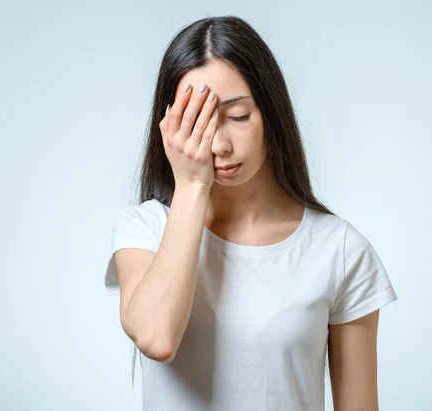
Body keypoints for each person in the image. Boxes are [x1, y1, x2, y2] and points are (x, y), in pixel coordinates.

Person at [104, 15, 397, 411]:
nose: (219, 145)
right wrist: (192, 186)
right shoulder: (145, 229)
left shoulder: (340, 249)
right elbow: (157, 338)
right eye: (198, 123)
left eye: (238, 116)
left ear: (270, 114)